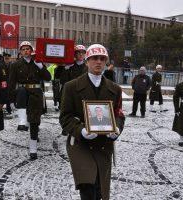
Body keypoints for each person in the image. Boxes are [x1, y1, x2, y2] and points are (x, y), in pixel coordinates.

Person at [60, 44, 125, 200]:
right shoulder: (71, 87)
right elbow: (65, 117)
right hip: (81, 144)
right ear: (87, 61)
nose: (98, 62)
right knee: (87, 185)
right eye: (94, 58)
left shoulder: (115, 89)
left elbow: (119, 114)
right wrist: (81, 130)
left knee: (100, 188)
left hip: (104, 144)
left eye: (102, 59)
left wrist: (116, 128)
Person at [8, 41, 51, 160]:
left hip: (36, 94)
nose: (26, 51)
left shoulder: (37, 62)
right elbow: (11, 83)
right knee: (21, 93)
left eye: (28, 49)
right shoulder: (15, 65)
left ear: (31, 51)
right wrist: (11, 100)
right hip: (22, 94)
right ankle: (22, 122)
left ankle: (33, 149)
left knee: (34, 121)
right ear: (20, 52)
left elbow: (48, 78)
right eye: (23, 49)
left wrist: (41, 67)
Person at [54, 45, 88, 109]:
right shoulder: (68, 65)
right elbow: (59, 78)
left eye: (83, 53)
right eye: (78, 52)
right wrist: (65, 68)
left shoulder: (88, 68)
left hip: (81, 96)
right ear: (74, 54)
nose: (81, 54)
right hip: (68, 95)